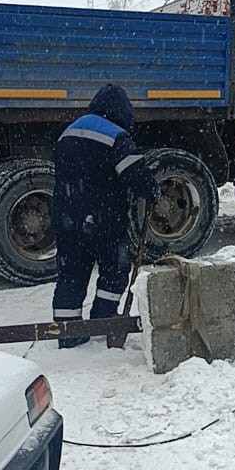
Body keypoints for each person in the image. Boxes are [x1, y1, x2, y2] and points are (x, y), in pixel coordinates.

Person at [51, 85, 160, 348]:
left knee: (71, 275)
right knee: (114, 270)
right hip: (103, 219)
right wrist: (152, 190)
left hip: (66, 219)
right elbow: (135, 174)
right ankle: (102, 322)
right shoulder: (116, 136)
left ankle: (68, 332)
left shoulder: (69, 131)